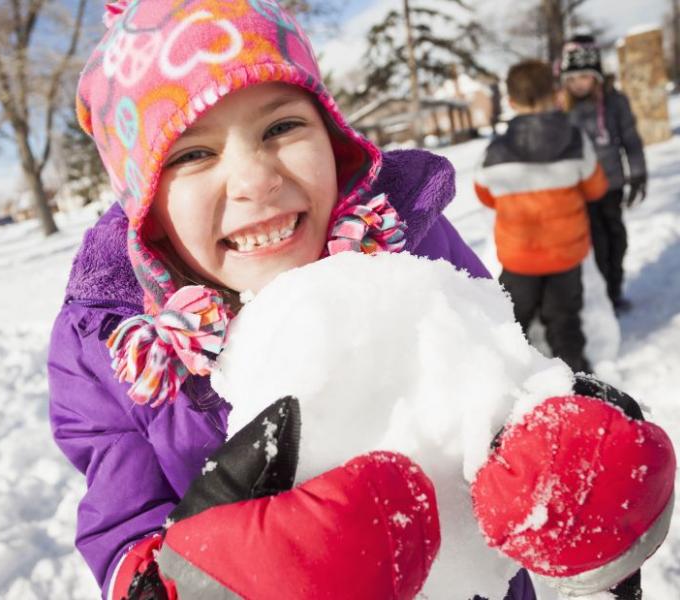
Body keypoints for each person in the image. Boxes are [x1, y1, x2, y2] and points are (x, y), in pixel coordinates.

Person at [49, 3, 674, 599]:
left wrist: (585, 479)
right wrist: (196, 584)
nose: (256, 179)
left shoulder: (405, 243)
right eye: (192, 153)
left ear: (333, 137)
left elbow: (504, 380)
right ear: (145, 205)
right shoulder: (112, 352)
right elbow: (122, 525)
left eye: (282, 126)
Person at [474, 59, 608, 374]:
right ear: (555, 94)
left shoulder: (494, 152)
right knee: (565, 322)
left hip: (519, 258)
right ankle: (574, 380)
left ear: (510, 101)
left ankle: (512, 378)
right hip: (566, 255)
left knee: (512, 321)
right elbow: (596, 187)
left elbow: (485, 194)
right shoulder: (575, 141)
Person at [560, 33, 647, 314]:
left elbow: (631, 139)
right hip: (580, 190)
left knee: (616, 239)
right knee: (596, 243)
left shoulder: (615, 102)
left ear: (596, 75)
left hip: (612, 184)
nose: (577, 84)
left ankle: (615, 288)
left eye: (583, 77)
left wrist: (638, 174)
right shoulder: (563, 109)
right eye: (571, 79)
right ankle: (604, 296)